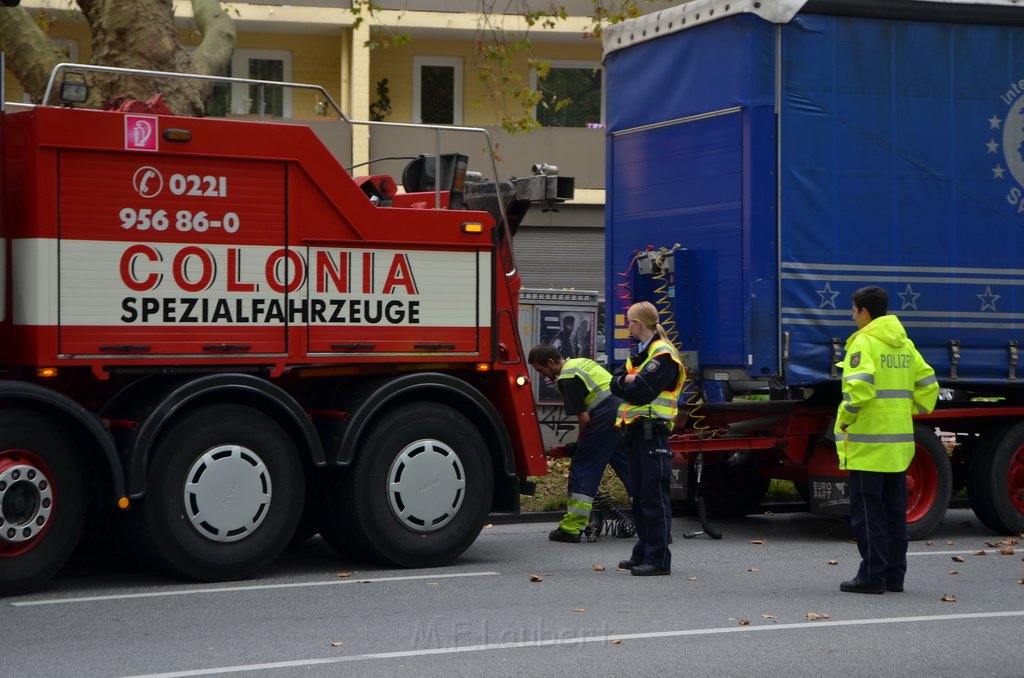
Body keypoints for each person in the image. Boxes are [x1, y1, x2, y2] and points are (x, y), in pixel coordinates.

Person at [834, 286, 938, 594]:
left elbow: (860, 389)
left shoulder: (863, 343)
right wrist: (904, 412)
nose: (852, 317)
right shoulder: (904, 345)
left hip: (869, 444)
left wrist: (845, 419)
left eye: (853, 311)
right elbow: (928, 385)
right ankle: (894, 576)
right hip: (899, 444)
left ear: (864, 312)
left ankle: (872, 576)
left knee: (868, 513)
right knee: (894, 513)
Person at [610, 301, 685, 576]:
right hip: (635, 433)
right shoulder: (639, 355)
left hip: (652, 433)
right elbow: (614, 381)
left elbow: (640, 392)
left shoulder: (663, 355)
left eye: (629, 321)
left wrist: (628, 383)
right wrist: (626, 382)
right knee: (640, 497)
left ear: (638, 324)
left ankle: (659, 559)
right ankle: (643, 552)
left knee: (654, 496)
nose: (627, 326)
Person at [528, 344, 631, 543]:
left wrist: (579, 444)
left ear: (550, 362)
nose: (543, 376)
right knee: (627, 465)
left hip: (604, 415)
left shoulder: (567, 377)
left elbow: (584, 419)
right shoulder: (581, 362)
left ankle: (571, 527)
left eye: (541, 370)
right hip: (620, 411)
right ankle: (651, 523)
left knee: (584, 466)